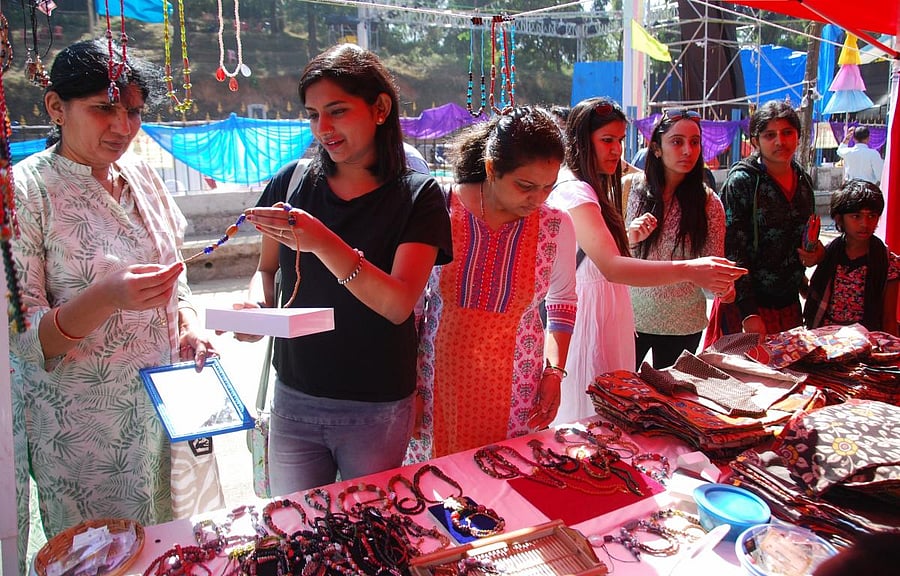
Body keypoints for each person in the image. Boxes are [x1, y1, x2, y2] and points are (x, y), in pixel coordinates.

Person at [9, 39, 217, 565]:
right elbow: (24, 342)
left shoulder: (142, 176)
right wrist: (105, 298)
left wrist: (189, 324)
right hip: (83, 438)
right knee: (100, 557)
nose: (123, 127)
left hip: (163, 411)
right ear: (57, 107)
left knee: (171, 547)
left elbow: (177, 276)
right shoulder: (24, 192)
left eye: (134, 112)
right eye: (104, 108)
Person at [236, 44, 452, 494]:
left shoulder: (418, 195)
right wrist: (256, 309)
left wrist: (324, 244)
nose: (324, 128)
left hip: (375, 403)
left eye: (337, 111)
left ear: (379, 109)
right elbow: (266, 270)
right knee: (297, 529)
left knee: (369, 529)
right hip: (294, 393)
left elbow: (397, 304)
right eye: (313, 115)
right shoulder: (293, 181)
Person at [549, 97, 745, 426]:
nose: (616, 150)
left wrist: (714, 281)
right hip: (598, 318)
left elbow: (602, 255)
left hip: (637, 318)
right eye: (606, 141)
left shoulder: (706, 201)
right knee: (593, 420)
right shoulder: (584, 191)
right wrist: (691, 270)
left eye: (620, 141)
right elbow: (610, 266)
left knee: (619, 415)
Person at [406, 107, 576, 461]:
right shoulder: (439, 207)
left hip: (518, 390)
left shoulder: (556, 225)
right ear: (491, 169)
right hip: (437, 385)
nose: (538, 199)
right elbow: (411, 303)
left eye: (548, 187)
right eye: (526, 186)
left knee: (503, 487)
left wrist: (554, 372)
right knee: (438, 491)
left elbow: (562, 302)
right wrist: (407, 386)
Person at [707, 100, 823, 345]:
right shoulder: (742, 182)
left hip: (788, 304)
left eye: (787, 133)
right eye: (770, 135)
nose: (780, 142)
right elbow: (732, 250)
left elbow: (797, 237)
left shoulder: (803, 181)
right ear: (756, 141)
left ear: (799, 137)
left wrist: (813, 255)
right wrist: (748, 312)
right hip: (747, 308)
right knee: (744, 379)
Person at [627, 109, 727, 368]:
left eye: (694, 142)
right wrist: (632, 237)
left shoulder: (708, 203)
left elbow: (713, 270)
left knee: (671, 402)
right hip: (630, 319)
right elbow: (613, 258)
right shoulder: (632, 190)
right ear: (657, 148)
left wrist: (726, 286)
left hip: (682, 324)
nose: (687, 150)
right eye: (677, 141)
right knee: (618, 397)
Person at [804, 179, 899, 335]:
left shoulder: (888, 262)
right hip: (826, 338)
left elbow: (889, 318)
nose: (865, 224)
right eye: (856, 216)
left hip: (867, 340)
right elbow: (815, 296)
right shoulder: (829, 254)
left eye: (872, 216)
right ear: (840, 219)